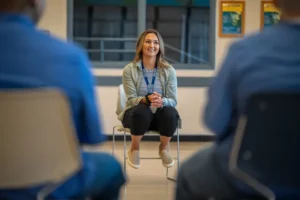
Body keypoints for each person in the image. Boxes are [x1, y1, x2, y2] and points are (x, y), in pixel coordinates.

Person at [0, 0, 125, 199]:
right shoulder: (71, 58)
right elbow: (90, 136)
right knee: (110, 168)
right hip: (49, 187)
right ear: (35, 3)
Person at [175, 0, 300, 199]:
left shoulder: (245, 50)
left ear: (274, 2)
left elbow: (215, 121)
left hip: (250, 176)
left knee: (188, 174)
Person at [118, 29, 180, 169]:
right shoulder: (129, 69)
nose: (152, 45)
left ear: (160, 47)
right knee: (142, 110)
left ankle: (163, 148)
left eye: (156, 42)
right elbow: (131, 99)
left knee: (170, 112)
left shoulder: (169, 70)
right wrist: (147, 99)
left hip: (159, 117)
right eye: (148, 41)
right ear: (141, 45)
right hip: (136, 116)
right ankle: (134, 148)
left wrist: (162, 101)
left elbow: (173, 99)